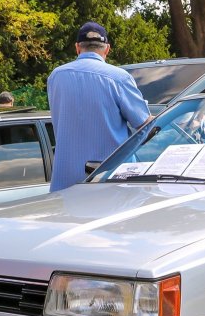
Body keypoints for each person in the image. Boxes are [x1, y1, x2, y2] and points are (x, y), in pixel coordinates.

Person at [47, 21, 150, 191]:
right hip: (111, 182)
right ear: (107, 49)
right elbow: (145, 125)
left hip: (65, 185)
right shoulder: (119, 78)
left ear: (77, 48)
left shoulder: (56, 77)